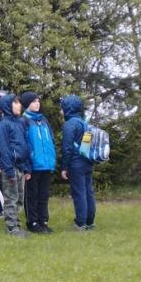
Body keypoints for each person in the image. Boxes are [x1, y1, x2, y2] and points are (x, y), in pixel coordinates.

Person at [0, 91, 32, 237]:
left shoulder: (21, 122)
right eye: (15, 103)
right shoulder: (3, 125)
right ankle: (11, 228)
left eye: (19, 102)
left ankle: (16, 224)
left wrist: (27, 167)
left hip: (21, 167)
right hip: (10, 166)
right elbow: (3, 148)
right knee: (11, 198)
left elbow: (25, 146)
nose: (19, 105)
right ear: (7, 106)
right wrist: (9, 169)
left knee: (20, 198)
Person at [22, 91, 57, 233]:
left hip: (46, 164)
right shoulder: (24, 120)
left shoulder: (44, 120)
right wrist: (27, 166)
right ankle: (33, 222)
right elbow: (23, 145)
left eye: (38, 101)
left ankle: (43, 221)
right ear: (27, 104)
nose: (37, 104)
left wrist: (52, 160)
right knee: (32, 195)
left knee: (44, 195)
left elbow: (51, 140)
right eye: (33, 101)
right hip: (33, 165)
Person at [60, 94, 97, 230]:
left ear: (68, 108)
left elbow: (67, 147)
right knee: (88, 192)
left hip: (76, 163)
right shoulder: (84, 123)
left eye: (62, 107)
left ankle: (80, 223)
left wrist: (64, 167)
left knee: (79, 193)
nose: (60, 110)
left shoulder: (70, 124)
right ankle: (90, 221)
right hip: (87, 161)